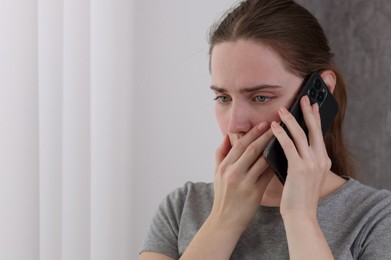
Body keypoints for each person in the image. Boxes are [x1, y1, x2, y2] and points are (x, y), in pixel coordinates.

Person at [139, 0, 391, 259]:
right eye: (223, 98)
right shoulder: (181, 208)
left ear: (320, 91)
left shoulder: (377, 218)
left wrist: (300, 216)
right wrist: (224, 221)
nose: (234, 124)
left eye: (260, 97)